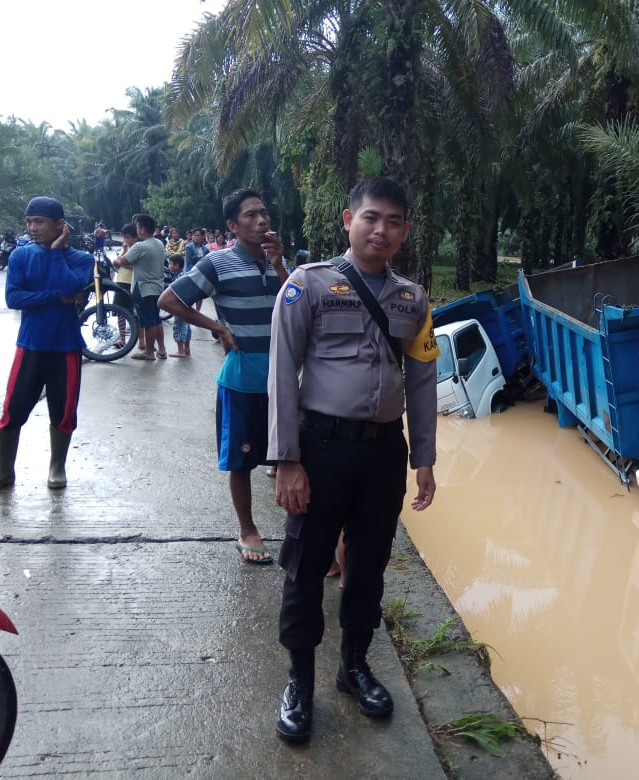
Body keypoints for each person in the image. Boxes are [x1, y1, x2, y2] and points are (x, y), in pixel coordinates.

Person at [267, 177, 439, 744]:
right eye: (371, 218)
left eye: (393, 221)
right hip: (320, 450)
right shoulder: (307, 286)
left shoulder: (413, 299)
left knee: (367, 565)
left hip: (385, 453)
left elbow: (422, 383)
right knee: (306, 566)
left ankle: (355, 666)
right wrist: (286, 460)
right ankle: (300, 681)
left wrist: (425, 459)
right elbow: (281, 378)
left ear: (405, 231)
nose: (380, 230)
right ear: (348, 220)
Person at [158, 188, 290, 565]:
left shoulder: (276, 260)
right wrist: (217, 326)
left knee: (293, 457)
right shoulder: (218, 263)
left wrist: (280, 265)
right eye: (250, 215)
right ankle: (247, 529)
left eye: (264, 213)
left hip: (283, 380)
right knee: (241, 461)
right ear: (232, 225)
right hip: (242, 379)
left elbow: (296, 305)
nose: (261, 220)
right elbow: (168, 300)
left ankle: (302, 534)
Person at [0, 196, 95, 492]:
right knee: (12, 410)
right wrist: (55, 297)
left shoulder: (82, 259)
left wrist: (56, 253)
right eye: (29, 221)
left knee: (64, 411)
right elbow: (13, 298)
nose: (32, 227)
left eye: (39, 221)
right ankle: (3, 470)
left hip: (65, 347)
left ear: (60, 225)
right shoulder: (20, 256)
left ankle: (57, 467)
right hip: (29, 345)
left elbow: (71, 287)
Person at [116, 213, 167, 360]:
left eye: (138, 227)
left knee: (148, 322)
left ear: (143, 229)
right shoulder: (158, 243)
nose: (136, 229)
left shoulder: (140, 246)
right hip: (157, 287)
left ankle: (149, 352)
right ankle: (161, 350)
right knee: (156, 319)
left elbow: (122, 262)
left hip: (143, 288)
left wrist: (118, 258)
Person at [111, 223, 140, 350]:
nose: (126, 240)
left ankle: (140, 340)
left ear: (136, 237)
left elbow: (135, 267)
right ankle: (122, 338)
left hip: (133, 282)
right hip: (121, 281)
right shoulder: (125, 248)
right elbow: (116, 263)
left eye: (128, 237)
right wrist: (122, 254)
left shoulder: (138, 249)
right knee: (119, 311)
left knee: (135, 312)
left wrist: (121, 262)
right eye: (125, 238)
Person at [166, 254, 192, 357]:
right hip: (186, 306)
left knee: (179, 326)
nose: (169, 266)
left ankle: (180, 351)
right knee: (186, 326)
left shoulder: (179, 278)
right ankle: (187, 349)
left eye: (170, 264)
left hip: (180, 307)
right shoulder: (183, 275)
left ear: (176, 265)